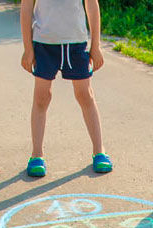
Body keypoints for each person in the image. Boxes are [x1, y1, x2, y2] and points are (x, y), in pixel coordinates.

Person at [20, 0, 112, 177]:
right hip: (43, 44)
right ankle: (37, 155)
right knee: (41, 97)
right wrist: (28, 48)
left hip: (76, 43)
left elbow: (92, 5)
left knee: (85, 95)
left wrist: (96, 45)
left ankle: (99, 151)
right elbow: (26, 8)